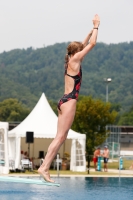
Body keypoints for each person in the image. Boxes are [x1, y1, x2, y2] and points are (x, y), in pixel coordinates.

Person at [38, 14, 100, 182]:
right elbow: (92, 44)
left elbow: (84, 43)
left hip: (63, 101)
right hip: (70, 101)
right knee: (60, 137)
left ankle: (44, 167)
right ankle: (44, 168)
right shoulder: (76, 59)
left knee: (60, 136)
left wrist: (91, 30)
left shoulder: (70, 59)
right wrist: (96, 26)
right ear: (77, 52)